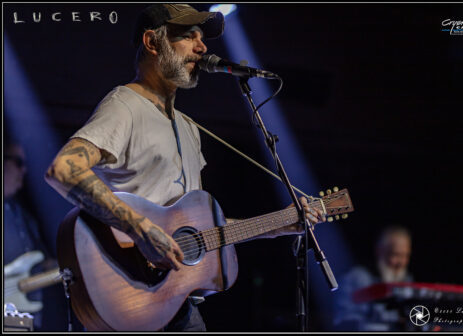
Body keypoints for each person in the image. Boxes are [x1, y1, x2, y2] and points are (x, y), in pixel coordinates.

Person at [44, 4, 325, 331]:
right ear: (153, 43)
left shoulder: (189, 128)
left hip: (176, 300)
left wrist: (279, 225)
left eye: (202, 39)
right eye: (189, 37)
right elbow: (64, 169)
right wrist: (143, 230)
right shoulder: (125, 105)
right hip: (131, 292)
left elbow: (196, 227)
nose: (202, 47)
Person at [4, 140, 56, 330]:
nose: (23, 171)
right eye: (18, 162)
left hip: (25, 315)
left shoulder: (23, 214)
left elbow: (42, 262)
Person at [332, 226, 413, 331]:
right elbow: (345, 323)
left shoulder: (407, 280)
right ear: (379, 251)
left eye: (405, 256)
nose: (401, 263)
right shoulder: (356, 279)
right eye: (395, 254)